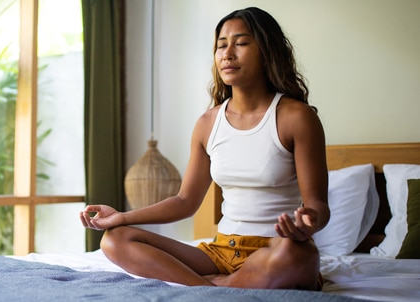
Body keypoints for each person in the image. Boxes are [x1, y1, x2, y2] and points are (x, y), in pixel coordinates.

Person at [80, 7, 329, 291]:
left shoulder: (296, 117)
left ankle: (211, 287)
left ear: (267, 51)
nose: (228, 53)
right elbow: (186, 201)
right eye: (221, 45)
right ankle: (214, 288)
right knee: (114, 239)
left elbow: (317, 205)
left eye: (242, 43)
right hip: (220, 250)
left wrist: (307, 224)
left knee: (300, 254)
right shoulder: (207, 124)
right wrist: (121, 217)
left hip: (276, 248)